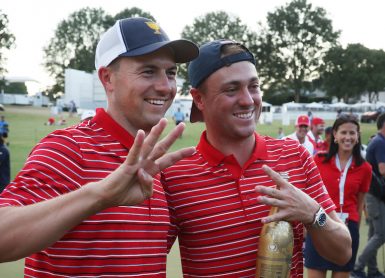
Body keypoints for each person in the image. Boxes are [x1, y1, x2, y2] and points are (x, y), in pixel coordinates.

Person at [0, 17, 198, 277]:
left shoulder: (155, 165)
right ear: (107, 78)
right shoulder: (67, 148)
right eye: (148, 71)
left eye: (171, 73)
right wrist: (99, 196)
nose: (165, 86)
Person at [160, 39, 351, 277]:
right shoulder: (173, 175)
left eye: (254, 86)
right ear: (199, 99)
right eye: (231, 89)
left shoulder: (295, 156)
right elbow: (143, 262)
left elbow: (342, 252)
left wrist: (313, 214)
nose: (248, 100)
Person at [305, 114, 372, 278]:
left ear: (357, 136)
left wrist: (353, 227)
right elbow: (310, 196)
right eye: (343, 132)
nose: (347, 137)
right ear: (335, 135)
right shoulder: (319, 161)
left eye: (352, 133)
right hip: (320, 224)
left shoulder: (365, 168)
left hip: (348, 230)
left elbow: (360, 203)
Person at [351, 113, 385, 278]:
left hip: (374, 195)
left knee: (374, 233)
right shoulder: (380, 143)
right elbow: (383, 170)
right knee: (381, 234)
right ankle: (357, 268)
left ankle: (372, 270)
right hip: (376, 196)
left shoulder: (378, 141)